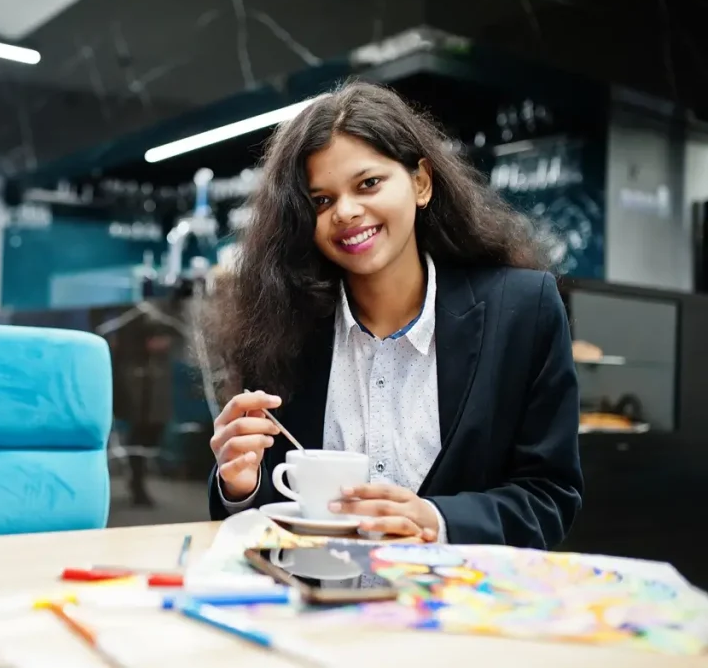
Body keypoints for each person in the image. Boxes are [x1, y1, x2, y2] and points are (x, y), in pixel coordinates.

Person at [205, 81, 582, 549]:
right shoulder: (281, 327)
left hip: (462, 608)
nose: (346, 211)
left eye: (368, 184)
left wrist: (436, 519)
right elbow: (263, 514)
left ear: (421, 183)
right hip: (314, 606)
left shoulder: (524, 309)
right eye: (321, 201)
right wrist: (238, 484)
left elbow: (549, 494)